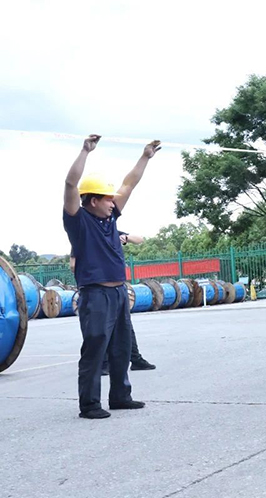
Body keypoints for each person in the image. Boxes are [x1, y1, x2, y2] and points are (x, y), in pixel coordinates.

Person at [63, 134, 160, 419]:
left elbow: (129, 183)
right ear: (93, 200)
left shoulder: (111, 218)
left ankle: (120, 397)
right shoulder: (78, 221)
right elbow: (70, 185)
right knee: (95, 348)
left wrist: (145, 157)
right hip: (95, 294)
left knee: (121, 348)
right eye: (107, 198)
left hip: (118, 292)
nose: (112, 202)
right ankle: (90, 405)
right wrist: (85, 151)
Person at [70, 233, 156, 376]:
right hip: (97, 289)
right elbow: (73, 265)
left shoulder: (110, 232)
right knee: (101, 327)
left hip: (116, 287)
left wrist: (126, 238)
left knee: (124, 326)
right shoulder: (83, 236)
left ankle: (135, 359)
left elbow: (140, 239)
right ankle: (103, 364)